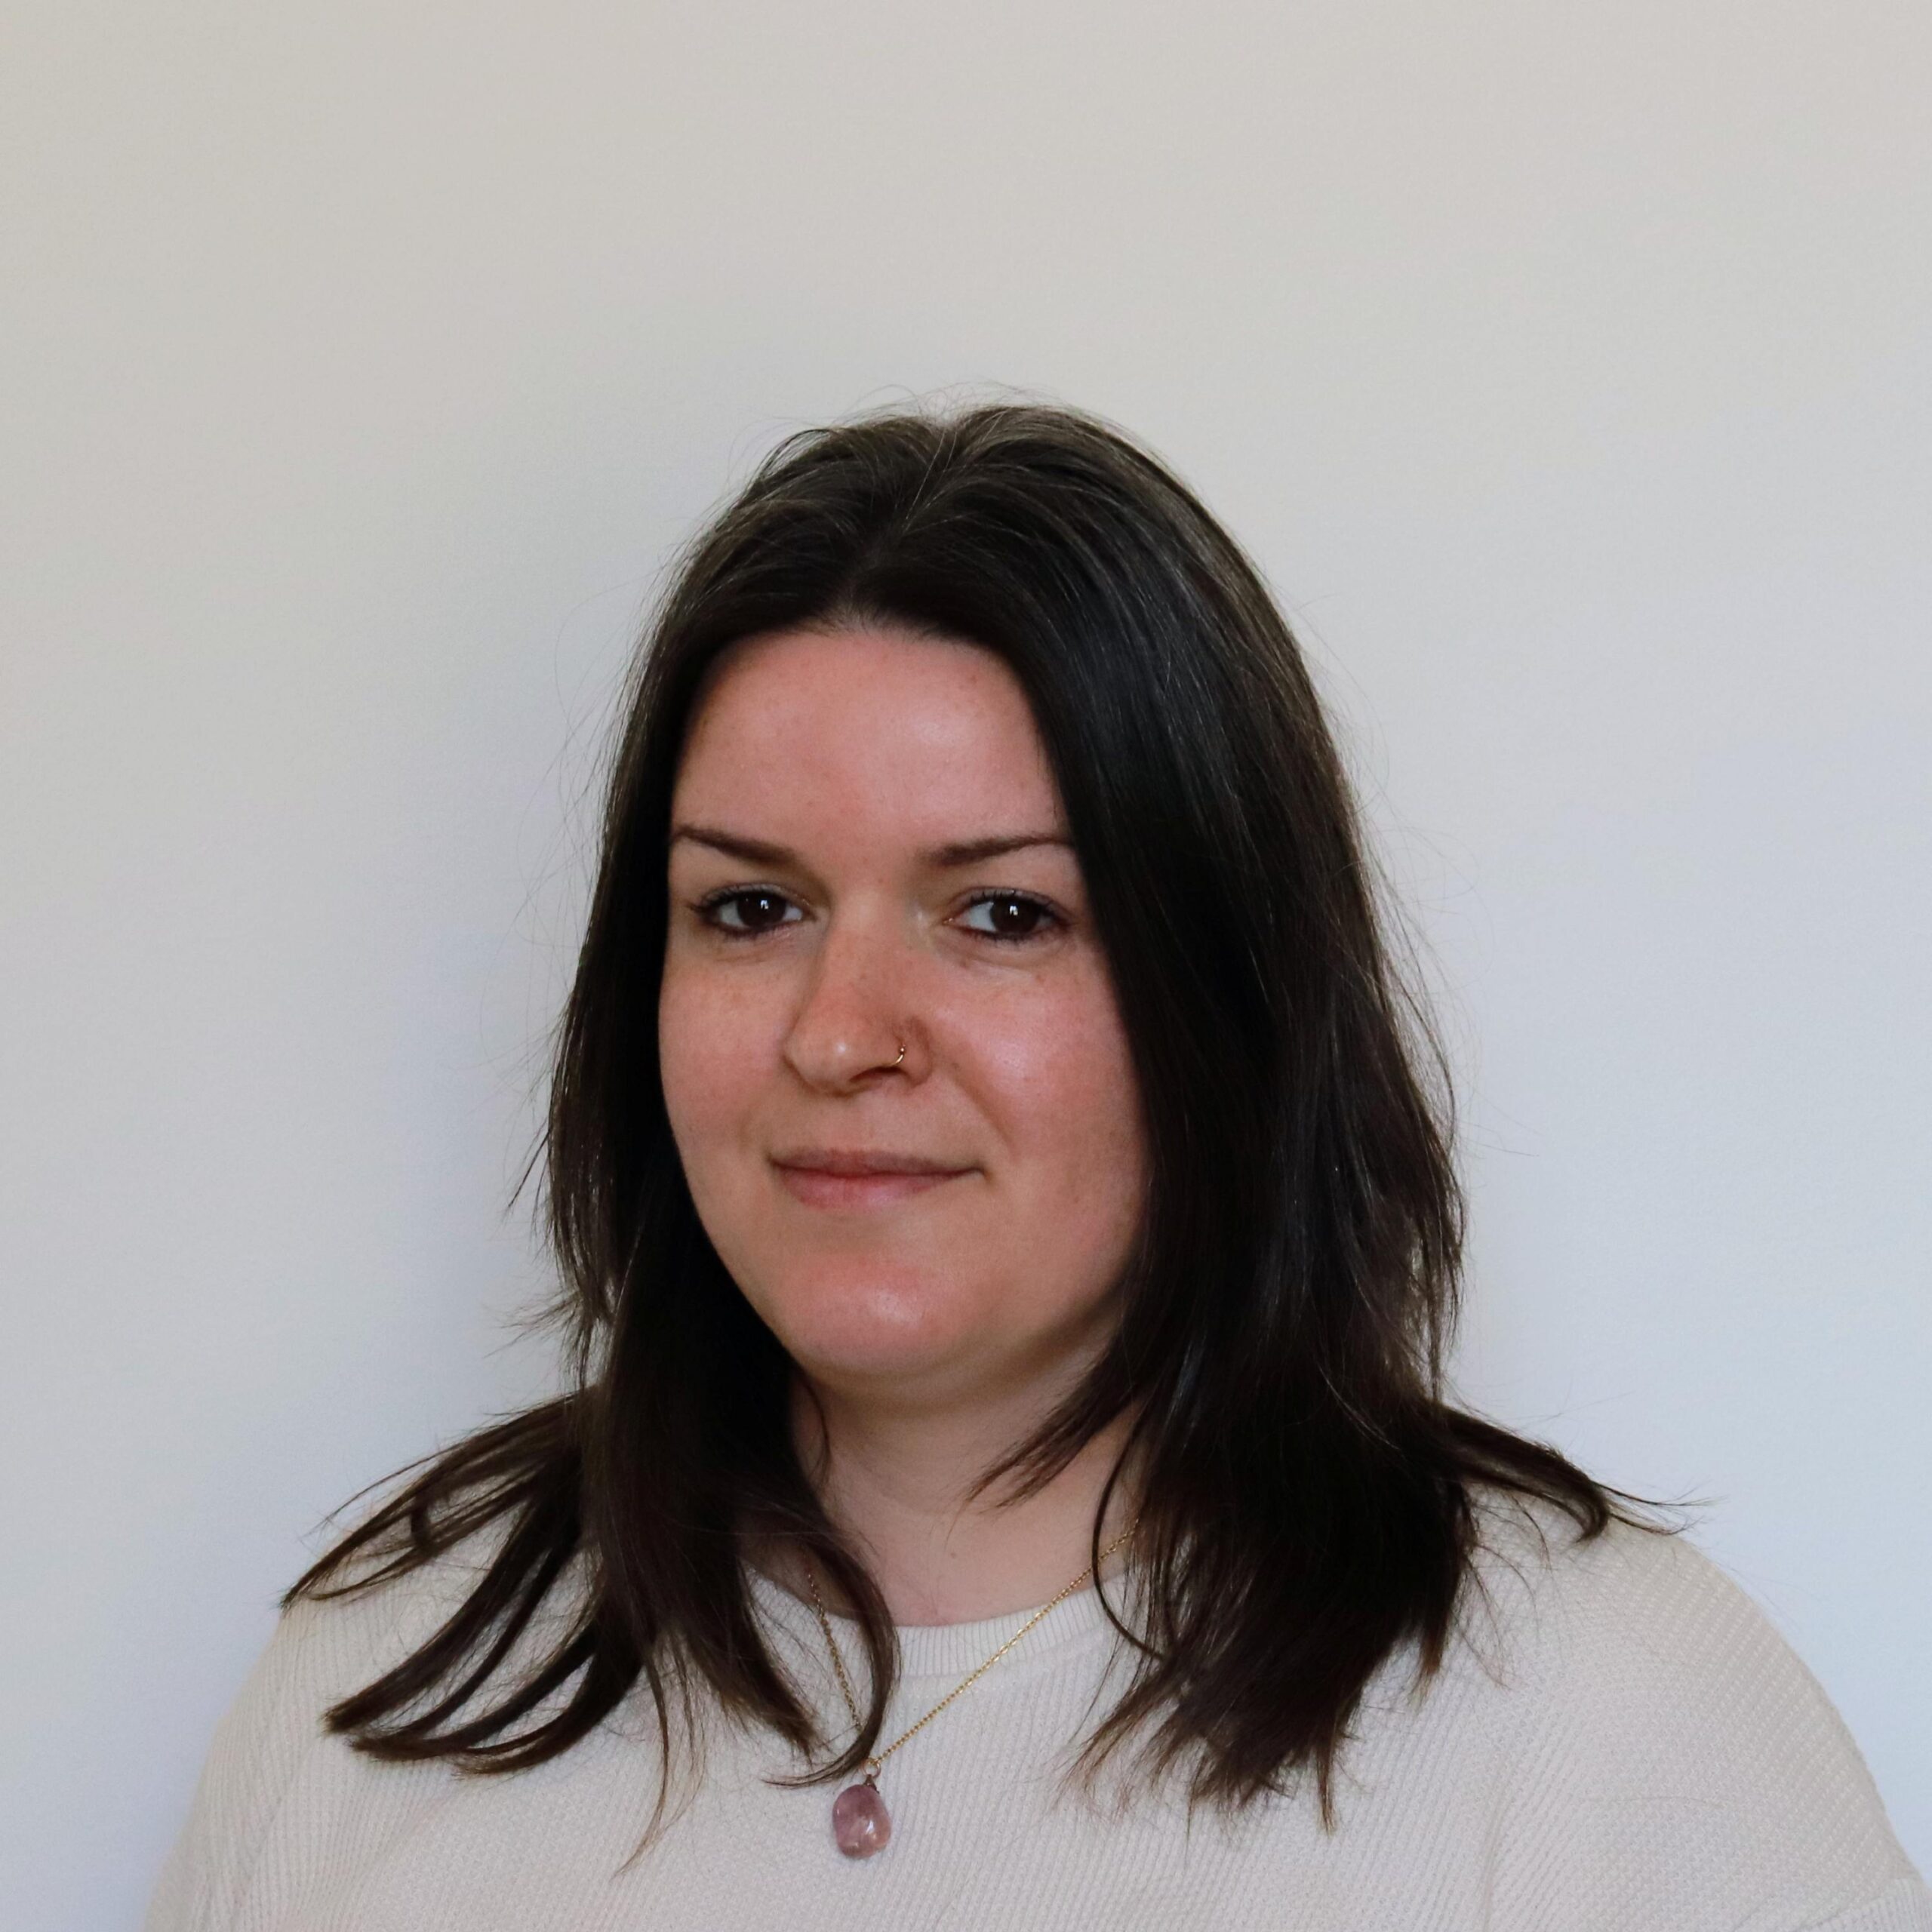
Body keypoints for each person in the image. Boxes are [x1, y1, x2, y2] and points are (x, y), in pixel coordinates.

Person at [145, 401, 1928, 1930]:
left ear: (1227, 992)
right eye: (749, 907)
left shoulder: (1606, 1729)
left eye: (1000, 912)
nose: (840, 1032)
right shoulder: (384, 1682)